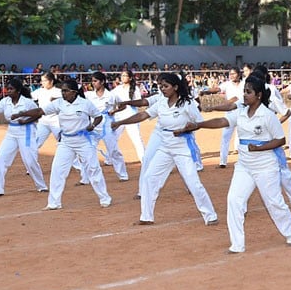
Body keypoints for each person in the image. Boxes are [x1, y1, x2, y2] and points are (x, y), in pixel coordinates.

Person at [182, 76, 291, 253]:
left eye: (248, 92)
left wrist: (260, 147)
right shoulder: (241, 111)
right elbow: (223, 121)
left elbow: (280, 139)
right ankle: (237, 244)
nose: (244, 95)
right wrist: (198, 125)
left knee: (274, 202)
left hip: (265, 165)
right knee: (234, 200)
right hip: (244, 165)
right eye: (244, 91)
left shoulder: (267, 115)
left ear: (259, 95)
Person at [112, 72, 218, 226]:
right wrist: (121, 122)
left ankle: (210, 215)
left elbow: (199, 123)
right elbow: (143, 115)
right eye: (160, 86)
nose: (162, 89)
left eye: (166, 86)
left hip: (182, 147)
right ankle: (146, 216)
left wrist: (187, 129)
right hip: (165, 147)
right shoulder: (161, 103)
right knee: (149, 178)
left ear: (175, 87)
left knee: (193, 183)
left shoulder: (187, 103)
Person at [13, 78, 112, 210]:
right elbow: (40, 111)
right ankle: (54, 202)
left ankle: (105, 198)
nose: (63, 93)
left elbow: (98, 116)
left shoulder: (85, 104)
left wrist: (92, 125)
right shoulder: (59, 103)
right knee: (57, 170)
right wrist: (22, 113)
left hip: (83, 141)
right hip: (65, 142)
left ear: (74, 92)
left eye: (65, 91)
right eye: (62, 91)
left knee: (93, 169)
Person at [0, 77, 48, 196]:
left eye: (11, 89)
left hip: (26, 132)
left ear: (18, 91)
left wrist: (26, 121)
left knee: (30, 161)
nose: (8, 91)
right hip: (11, 132)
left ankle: (41, 186)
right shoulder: (5, 101)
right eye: (7, 88)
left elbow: (38, 114)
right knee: (1, 158)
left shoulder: (27, 102)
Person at [84, 71, 128, 182]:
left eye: (95, 81)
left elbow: (123, 105)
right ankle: (86, 178)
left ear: (102, 82)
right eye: (92, 81)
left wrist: (114, 110)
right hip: (93, 125)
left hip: (107, 124)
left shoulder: (111, 95)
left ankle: (123, 175)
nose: (93, 83)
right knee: (88, 151)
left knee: (113, 150)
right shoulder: (89, 95)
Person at [201, 66, 244, 168]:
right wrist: (206, 90)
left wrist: (227, 102)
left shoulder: (244, 83)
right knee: (225, 137)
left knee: (243, 137)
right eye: (230, 74)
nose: (231, 76)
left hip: (242, 113)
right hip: (230, 112)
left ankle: (243, 161)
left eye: (233, 74)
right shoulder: (227, 84)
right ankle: (222, 162)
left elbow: (236, 98)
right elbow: (217, 89)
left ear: (239, 74)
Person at [111, 70, 146, 162]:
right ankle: (109, 158)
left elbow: (139, 103)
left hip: (131, 116)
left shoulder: (135, 89)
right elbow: (110, 97)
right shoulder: (118, 88)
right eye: (122, 76)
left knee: (137, 139)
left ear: (130, 78)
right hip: (119, 116)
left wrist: (127, 103)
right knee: (112, 138)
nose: (123, 77)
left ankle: (144, 159)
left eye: (125, 76)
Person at [31, 72, 62, 149]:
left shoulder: (59, 91)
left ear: (51, 81)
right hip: (43, 121)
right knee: (35, 144)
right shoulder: (39, 91)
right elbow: (28, 97)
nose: (42, 83)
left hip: (56, 121)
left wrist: (57, 99)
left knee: (63, 143)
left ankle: (76, 160)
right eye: (42, 81)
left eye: (45, 81)